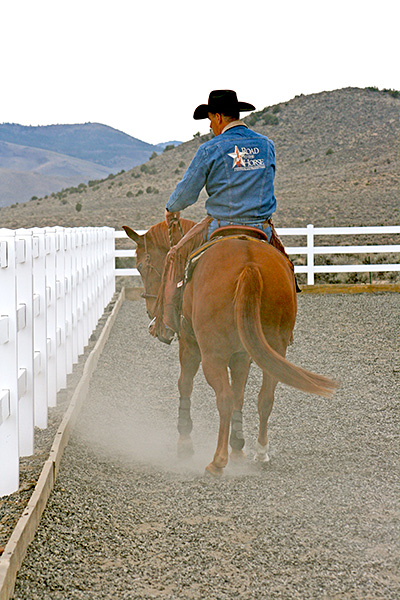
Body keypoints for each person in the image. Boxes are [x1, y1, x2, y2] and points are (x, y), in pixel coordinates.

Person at [150, 89, 286, 344]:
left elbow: (188, 191)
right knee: (284, 265)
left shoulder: (210, 149)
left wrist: (171, 209)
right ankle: (285, 330)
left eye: (210, 120)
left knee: (175, 256)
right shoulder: (267, 146)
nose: (211, 126)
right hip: (261, 227)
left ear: (219, 117)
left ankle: (166, 323)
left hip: (220, 225)